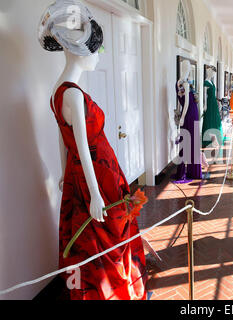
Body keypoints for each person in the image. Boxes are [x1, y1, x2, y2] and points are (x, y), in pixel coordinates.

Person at [39, 0, 147, 300]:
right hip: (96, 175)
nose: (99, 57)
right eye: (96, 50)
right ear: (78, 49)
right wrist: (96, 193)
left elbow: (67, 140)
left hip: (87, 172)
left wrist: (65, 173)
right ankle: (113, 290)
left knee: (97, 235)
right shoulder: (71, 94)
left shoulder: (59, 90)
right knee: (101, 236)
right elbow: (82, 146)